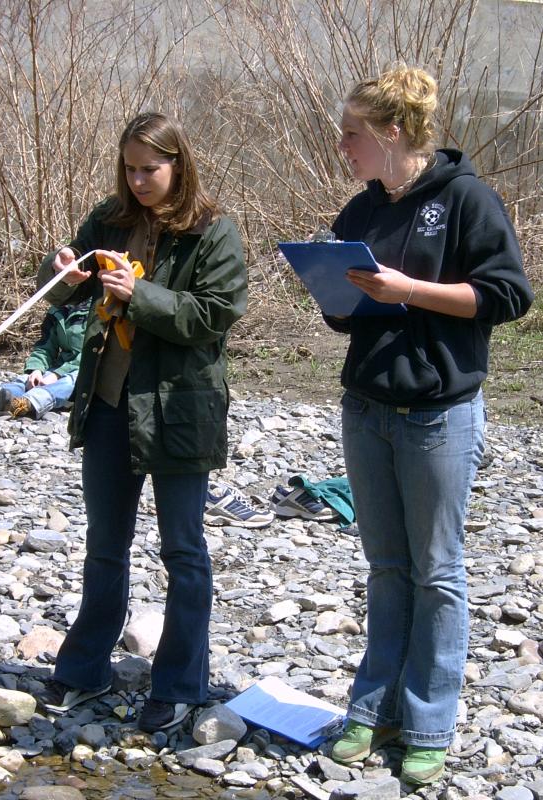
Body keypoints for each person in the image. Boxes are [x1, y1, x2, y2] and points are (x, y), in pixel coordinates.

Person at [323, 65, 533, 785]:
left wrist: (406, 290)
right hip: (367, 407)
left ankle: (429, 721)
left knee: (438, 573)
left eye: (352, 134)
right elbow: (341, 311)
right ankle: (372, 708)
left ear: (392, 133)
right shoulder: (361, 209)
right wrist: (334, 285)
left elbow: (508, 295)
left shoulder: (468, 199)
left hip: (440, 414)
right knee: (386, 568)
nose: (342, 145)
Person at [34, 112, 247, 732]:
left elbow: (213, 315)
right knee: (105, 546)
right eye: (129, 167)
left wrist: (138, 295)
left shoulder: (215, 231)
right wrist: (61, 273)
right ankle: (85, 669)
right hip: (107, 404)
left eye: (150, 168)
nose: (138, 179)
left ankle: (181, 683)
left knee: (184, 550)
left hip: (180, 410)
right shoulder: (109, 218)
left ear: (178, 164)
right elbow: (63, 295)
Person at [0, 301, 90, 419]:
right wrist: (36, 370)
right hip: (59, 370)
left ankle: (25, 404)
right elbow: (45, 348)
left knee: (74, 380)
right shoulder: (58, 310)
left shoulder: (101, 308)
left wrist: (57, 374)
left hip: (90, 375)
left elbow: (93, 353)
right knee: (25, 381)